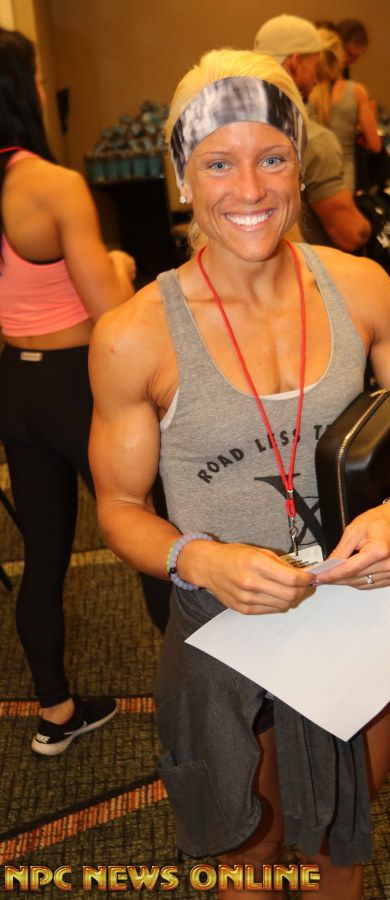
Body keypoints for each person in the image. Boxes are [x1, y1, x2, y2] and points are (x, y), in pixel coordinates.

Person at [89, 47, 390, 898]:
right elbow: (118, 506)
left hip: (347, 613)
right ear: (182, 178)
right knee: (250, 854)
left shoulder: (360, 288)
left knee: (345, 837)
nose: (250, 189)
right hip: (222, 624)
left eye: (271, 159)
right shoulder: (134, 334)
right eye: (218, 164)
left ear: (301, 165)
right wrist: (198, 556)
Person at [0, 27, 138, 755]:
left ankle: (55, 712)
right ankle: (209, 703)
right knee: (151, 530)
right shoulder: (52, 186)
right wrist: (119, 261)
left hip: (14, 387)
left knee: (43, 555)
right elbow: (110, 307)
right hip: (75, 385)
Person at [254, 14, 371, 251]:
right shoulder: (313, 140)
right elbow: (350, 235)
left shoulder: (235, 129)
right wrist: (371, 224)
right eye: (315, 67)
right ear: (295, 63)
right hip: (309, 267)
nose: (317, 79)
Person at [308, 28, 381, 193]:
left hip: (311, 184)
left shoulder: (302, 95)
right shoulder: (355, 92)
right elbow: (375, 145)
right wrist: (372, 116)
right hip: (345, 184)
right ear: (339, 57)